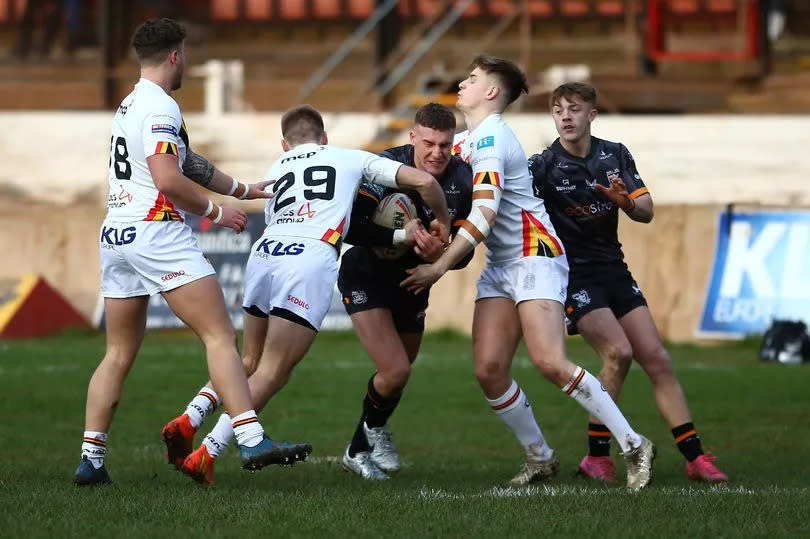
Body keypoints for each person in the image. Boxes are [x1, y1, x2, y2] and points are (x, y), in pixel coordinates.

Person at [73, 18, 311, 486]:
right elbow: (167, 177)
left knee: (118, 352)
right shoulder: (161, 107)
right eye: (187, 55)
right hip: (156, 232)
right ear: (176, 56)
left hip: (116, 233)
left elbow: (189, 162)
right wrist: (218, 213)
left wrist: (244, 188)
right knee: (220, 336)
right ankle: (249, 437)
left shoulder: (131, 104)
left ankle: (91, 459)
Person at [401, 55, 655, 491]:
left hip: (534, 254)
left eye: (472, 78)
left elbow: (484, 209)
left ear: (491, 92)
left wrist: (440, 265)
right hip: (503, 264)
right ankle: (540, 456)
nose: (462, 82)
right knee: (490, 369)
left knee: (550, 361)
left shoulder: (492, 140)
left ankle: (634, 444)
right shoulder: (469, 140)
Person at [162, 105, 451, 484]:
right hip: (307, 260)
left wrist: (397, 236)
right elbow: (426, 184)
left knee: (247, 359)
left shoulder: (278, 169)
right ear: (325, 137)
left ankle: (190, 417)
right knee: (273, 372)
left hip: (264, 256)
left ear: (285, 144)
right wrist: (442, 222)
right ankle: (206, 454)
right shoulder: (347, 157)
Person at [528, 82, 728, 483]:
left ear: (592, 115)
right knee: (618, 353)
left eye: (574, 108)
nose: (565, 116)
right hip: (573, 276)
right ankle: (598, 455)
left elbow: (646, 211)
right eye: (558, 109)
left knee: (657, 358)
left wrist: (626, 203)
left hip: (614, 271)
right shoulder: (542, 166)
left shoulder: (614, 155)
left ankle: (694, 457)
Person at [338, 103, 474, 480]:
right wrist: (400, 236)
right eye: (428, 142)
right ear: (412, 136)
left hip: (414, 283)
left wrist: (439, 254)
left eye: (444, 145)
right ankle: (369, 438)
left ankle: (359, 446)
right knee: (395, 370)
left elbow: (465, 253)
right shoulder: (386, 167)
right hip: (365, 275)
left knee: (399, 373)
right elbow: (353, 228)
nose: (436, 153)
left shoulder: (463, 180)